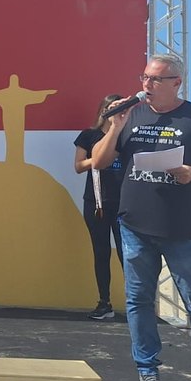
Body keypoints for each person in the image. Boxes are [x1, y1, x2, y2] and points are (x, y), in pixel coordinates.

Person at [90, 53, 191, 381]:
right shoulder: (131, 114)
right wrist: (116, 127)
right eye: (144, 78)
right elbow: (98, 161)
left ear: (176, 83)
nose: (147, 85)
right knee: (139, 302)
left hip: (181, 229)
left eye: (156, 80)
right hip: (135, 225)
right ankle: (147, 369)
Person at [73, 94, 125, 320]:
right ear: (103, 111)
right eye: (111, 109)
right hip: (96, 203)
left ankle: (136, 304)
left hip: (124, 204)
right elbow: (78, 166)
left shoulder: (127, 137)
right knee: (101, 252)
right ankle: (104, 302)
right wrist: (97, 159)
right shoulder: (89, 135)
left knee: (128, 254)